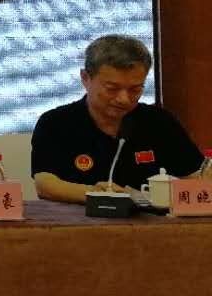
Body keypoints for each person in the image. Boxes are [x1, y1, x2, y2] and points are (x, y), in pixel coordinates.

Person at [32, 34, 201, 202]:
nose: (123, 99)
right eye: (112, 88)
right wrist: (95, 194)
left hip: (151, 218)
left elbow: (196, 177)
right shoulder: (55, 123)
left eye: (135, 89)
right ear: (85, 78)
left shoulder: (159, 121)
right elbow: (45, 185)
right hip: (80, 217)